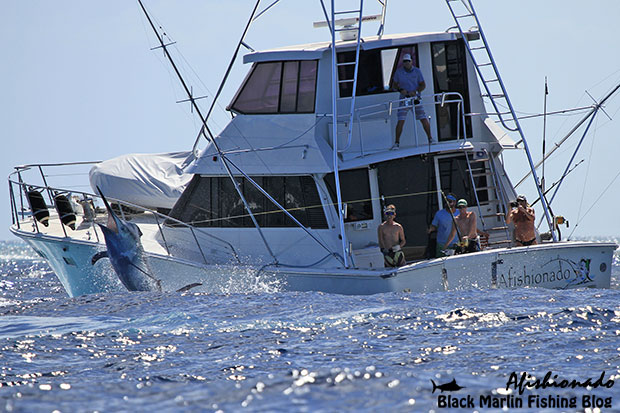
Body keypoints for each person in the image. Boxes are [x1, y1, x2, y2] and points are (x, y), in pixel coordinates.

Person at [391, 53, 433, 149]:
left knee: (423, 118)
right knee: (400, 120)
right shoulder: (399, 72)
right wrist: (401, 90)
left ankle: (430, 138)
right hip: (404, 99)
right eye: (404, 61)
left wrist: (416, 91)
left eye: (408, 61)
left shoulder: (417, 71)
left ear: (411, 61)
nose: (406, 63)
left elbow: (423, 85)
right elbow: (394, 85)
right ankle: (397, 143)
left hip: (416, 99)